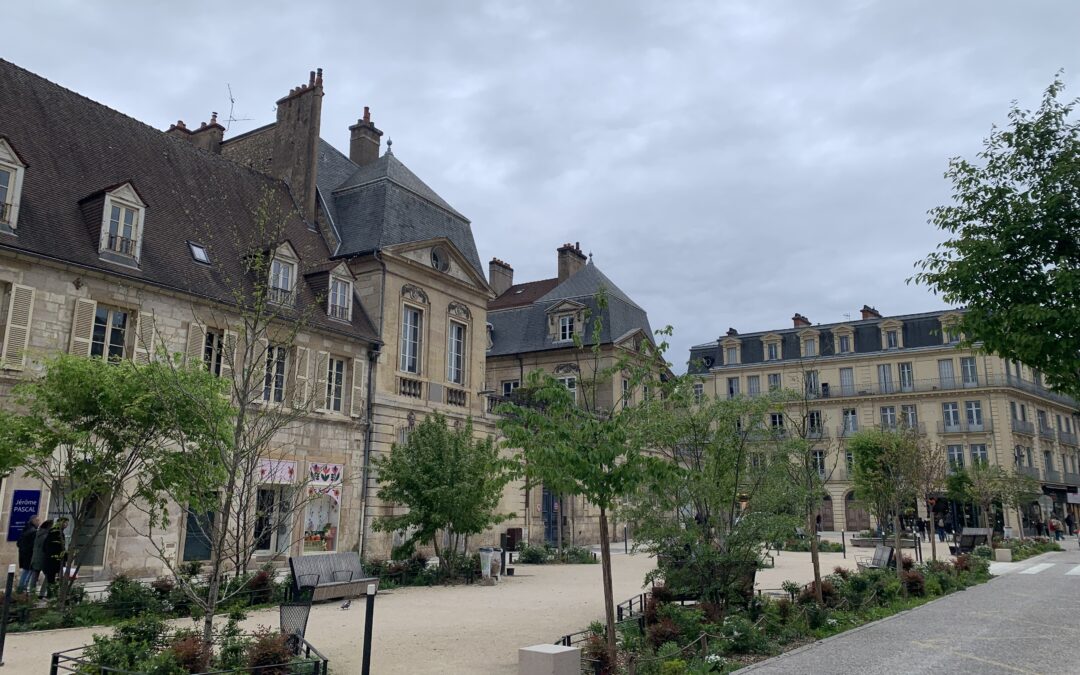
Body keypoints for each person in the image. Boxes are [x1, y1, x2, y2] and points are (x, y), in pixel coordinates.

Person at [39, 518, 67, 600]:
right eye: (65, 523)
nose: (66, 525)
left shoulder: (52, 532)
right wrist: (64, 556)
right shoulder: (57, 534)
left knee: (50, 577)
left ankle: (48, 594)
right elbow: (59, 548)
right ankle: (51, 595)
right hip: (53, 560)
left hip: (50, 559)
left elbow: (44, 547)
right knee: (51, 578)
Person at [16, 515, 41, 594]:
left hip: (24, 555)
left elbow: (18, 543)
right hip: (29, 555)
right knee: (27, 573)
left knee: (25, 571)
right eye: (37, 520)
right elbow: (34, 545)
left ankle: (20, 590)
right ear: (33, 521)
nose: (39, 522)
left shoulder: (25, 529)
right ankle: (22, 590)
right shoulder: (33, 531)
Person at [31, 518, 52, 599]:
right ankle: (42, 593)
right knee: (48, 575)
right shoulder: (46, 536)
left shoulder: (38, 533)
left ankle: (32, 593)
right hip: (43, 558)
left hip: (35, 557)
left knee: (34, 576)